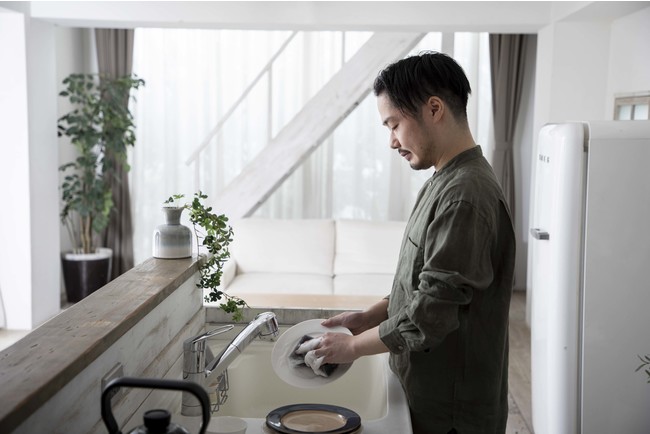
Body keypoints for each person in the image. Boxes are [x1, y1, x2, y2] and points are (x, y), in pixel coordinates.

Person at [308, 52, 516, 434]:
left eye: (394, 124)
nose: (392, 141)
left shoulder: (465, 195)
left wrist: (352, 347)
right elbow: (424, 283)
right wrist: (372, 315)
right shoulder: (444, 181)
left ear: (434, 109)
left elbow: (431, 314)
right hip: (426, 392)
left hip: (451, 412)